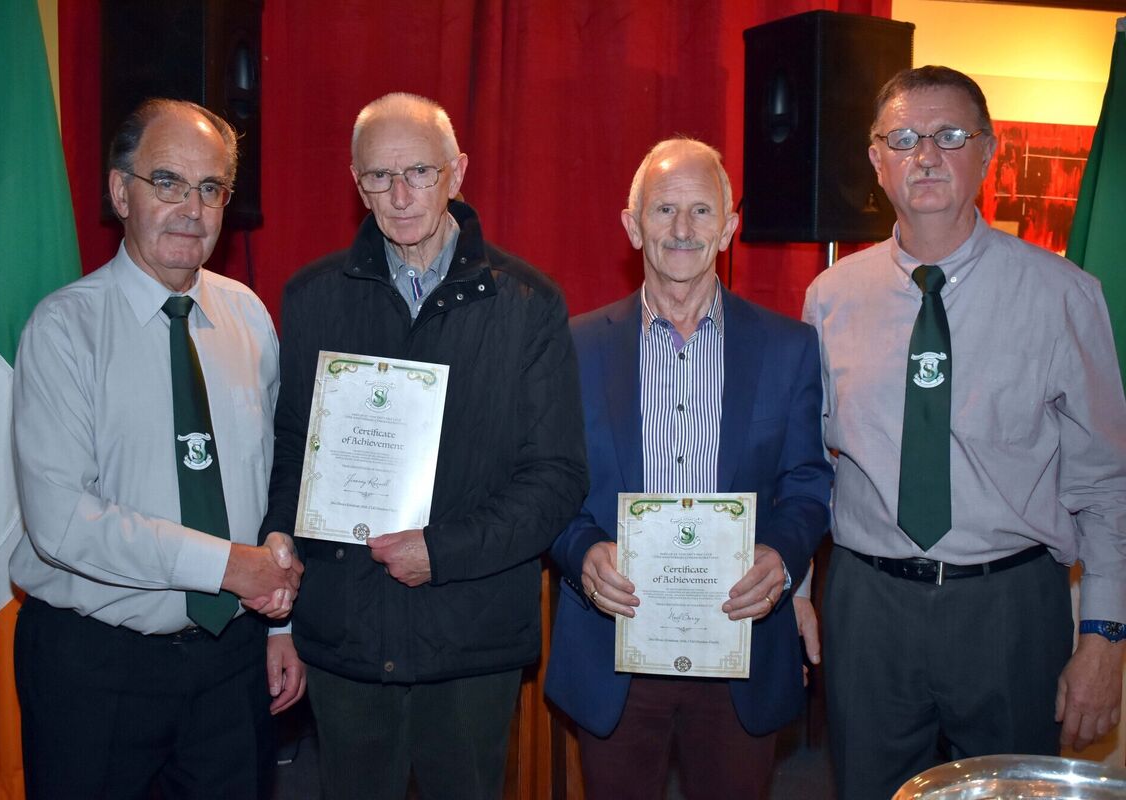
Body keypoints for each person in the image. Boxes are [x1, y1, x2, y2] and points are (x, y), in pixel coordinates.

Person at [803, 65, 1126, 800]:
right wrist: (797, 585)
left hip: (1010, 609)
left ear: (988, 151)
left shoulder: (1065, 296)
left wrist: (1105, 637)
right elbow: (805, 462)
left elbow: (1108, 484)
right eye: (904, 139)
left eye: (950, 136)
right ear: (876, 160)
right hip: (869, 606)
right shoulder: (829, 299)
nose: (925, 155)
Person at [260, 92, 588, 800]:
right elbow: (292, 452)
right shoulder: (312, 297)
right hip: (345, 631)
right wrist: (280, 552)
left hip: (469, 633)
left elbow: (556, 478)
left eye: (419, 172)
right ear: (357, 183)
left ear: (456, 173)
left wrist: (442, 552)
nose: (401, 195)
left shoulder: (528, 303)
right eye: (380, 176)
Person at [10, 98, 305, 800]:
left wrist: (278, 624)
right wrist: (227, 567)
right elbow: (61, 524)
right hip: (96, 668)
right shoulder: (63, 330)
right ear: (121, 192)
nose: (191, 209)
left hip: (231, 666)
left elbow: (271, 479)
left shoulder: (248, 315)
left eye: (211, 188)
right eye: (168, 182)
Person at [544, 138, 833, 800]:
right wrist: (582, 551)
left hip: (740, 648)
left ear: (729, 228)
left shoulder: (789, 347)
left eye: (702, 211)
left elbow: (807, 483)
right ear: (632, 225)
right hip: (613, 648)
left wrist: (782, 555)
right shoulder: (573, 346)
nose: (682, 229)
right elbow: (547, 482)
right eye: (664, 209)